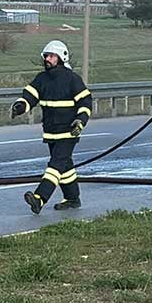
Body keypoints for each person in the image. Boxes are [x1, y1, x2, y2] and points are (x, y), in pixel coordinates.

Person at [11, 40, 91, 213]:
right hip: (51, 132)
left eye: (51, 56)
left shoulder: (72, 79)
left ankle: (40, 198)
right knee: (65, 167)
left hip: (68, 133)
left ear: (61, 57)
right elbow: (30, 96)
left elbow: (85, 102)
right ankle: (72, 198)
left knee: (55, 165)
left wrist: (80, 121)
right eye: (46, 56)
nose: (47, 59)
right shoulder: (42, 79)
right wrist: (21, 106)